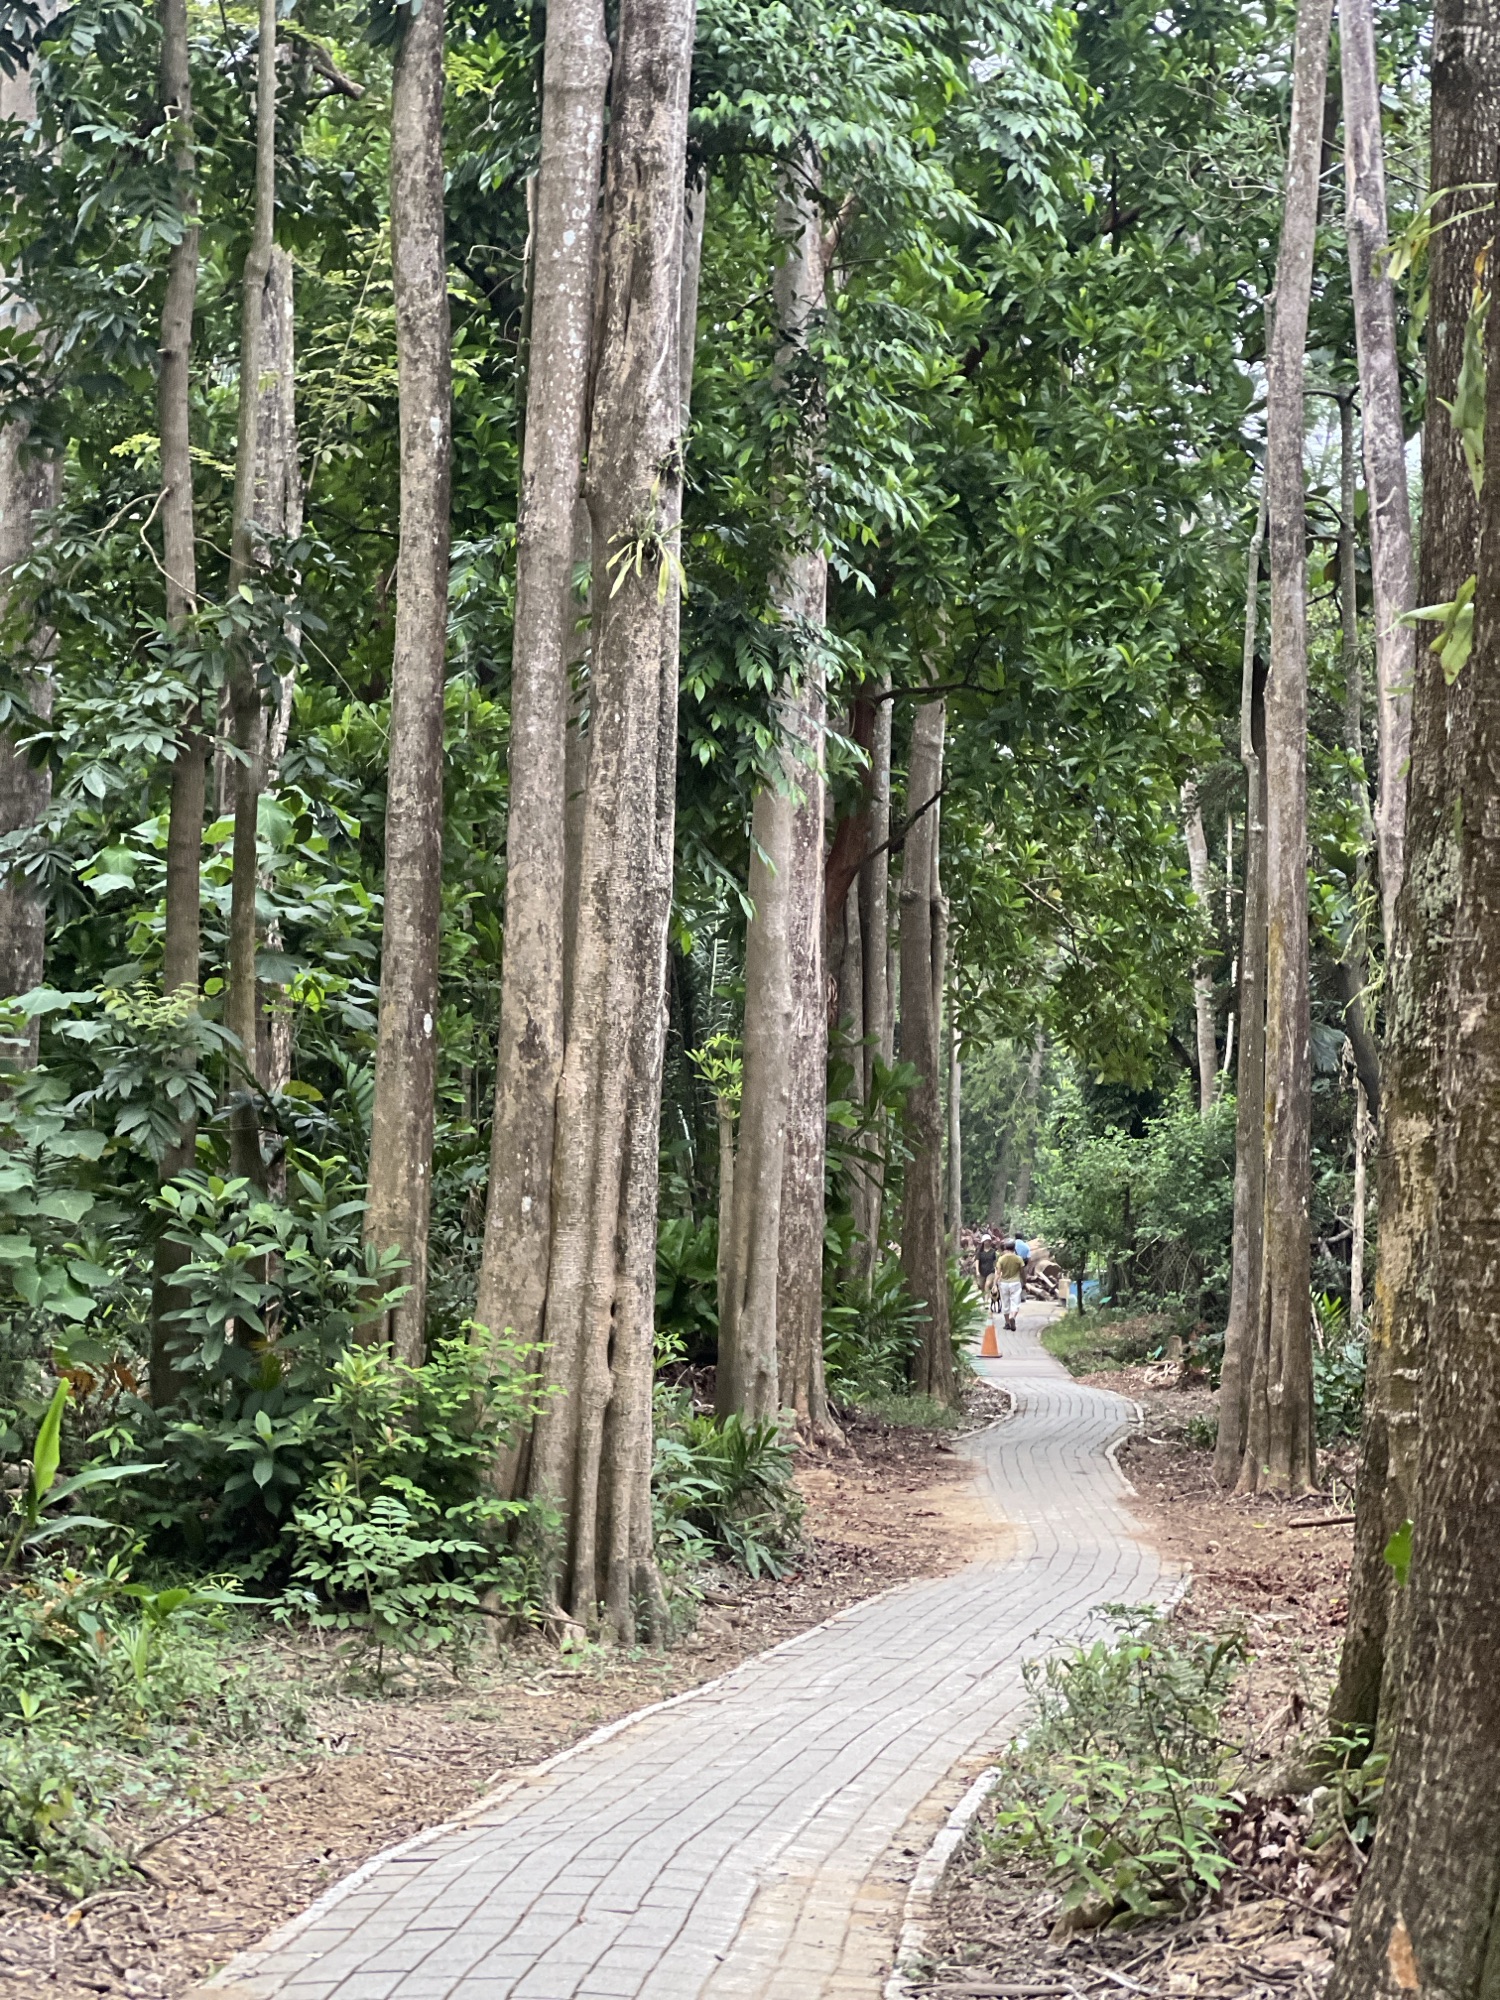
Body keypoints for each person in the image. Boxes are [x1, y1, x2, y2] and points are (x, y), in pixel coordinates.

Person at [997, 1240, 1024, 1332]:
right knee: (1015, 1302)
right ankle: (1012, 1316)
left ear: (1005, 1248)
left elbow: (998, 1273)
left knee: (1005, 1303)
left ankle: (1007, 1323)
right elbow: (1022, 1272)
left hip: (1004, 1283)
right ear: (1014, 1248)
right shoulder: (1018, 1259)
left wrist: (995, 1283)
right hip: (1015, 1282)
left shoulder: (1001, 1259)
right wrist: (1024, 1281)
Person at [977, 1233, 999, 1304]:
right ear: (983, 1242)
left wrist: (997, 1271)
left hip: (991, 1271)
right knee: (981, 1286)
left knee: (987, 1284)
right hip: (982, 1271)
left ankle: (986, 1301)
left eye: (988, 1241)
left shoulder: (993, 1251)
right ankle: (984, 1298)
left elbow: (995, 1262)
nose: (987, 1242)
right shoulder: (980, 1252)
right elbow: (977, 1261)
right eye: (986, 1241)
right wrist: (977, 1271)